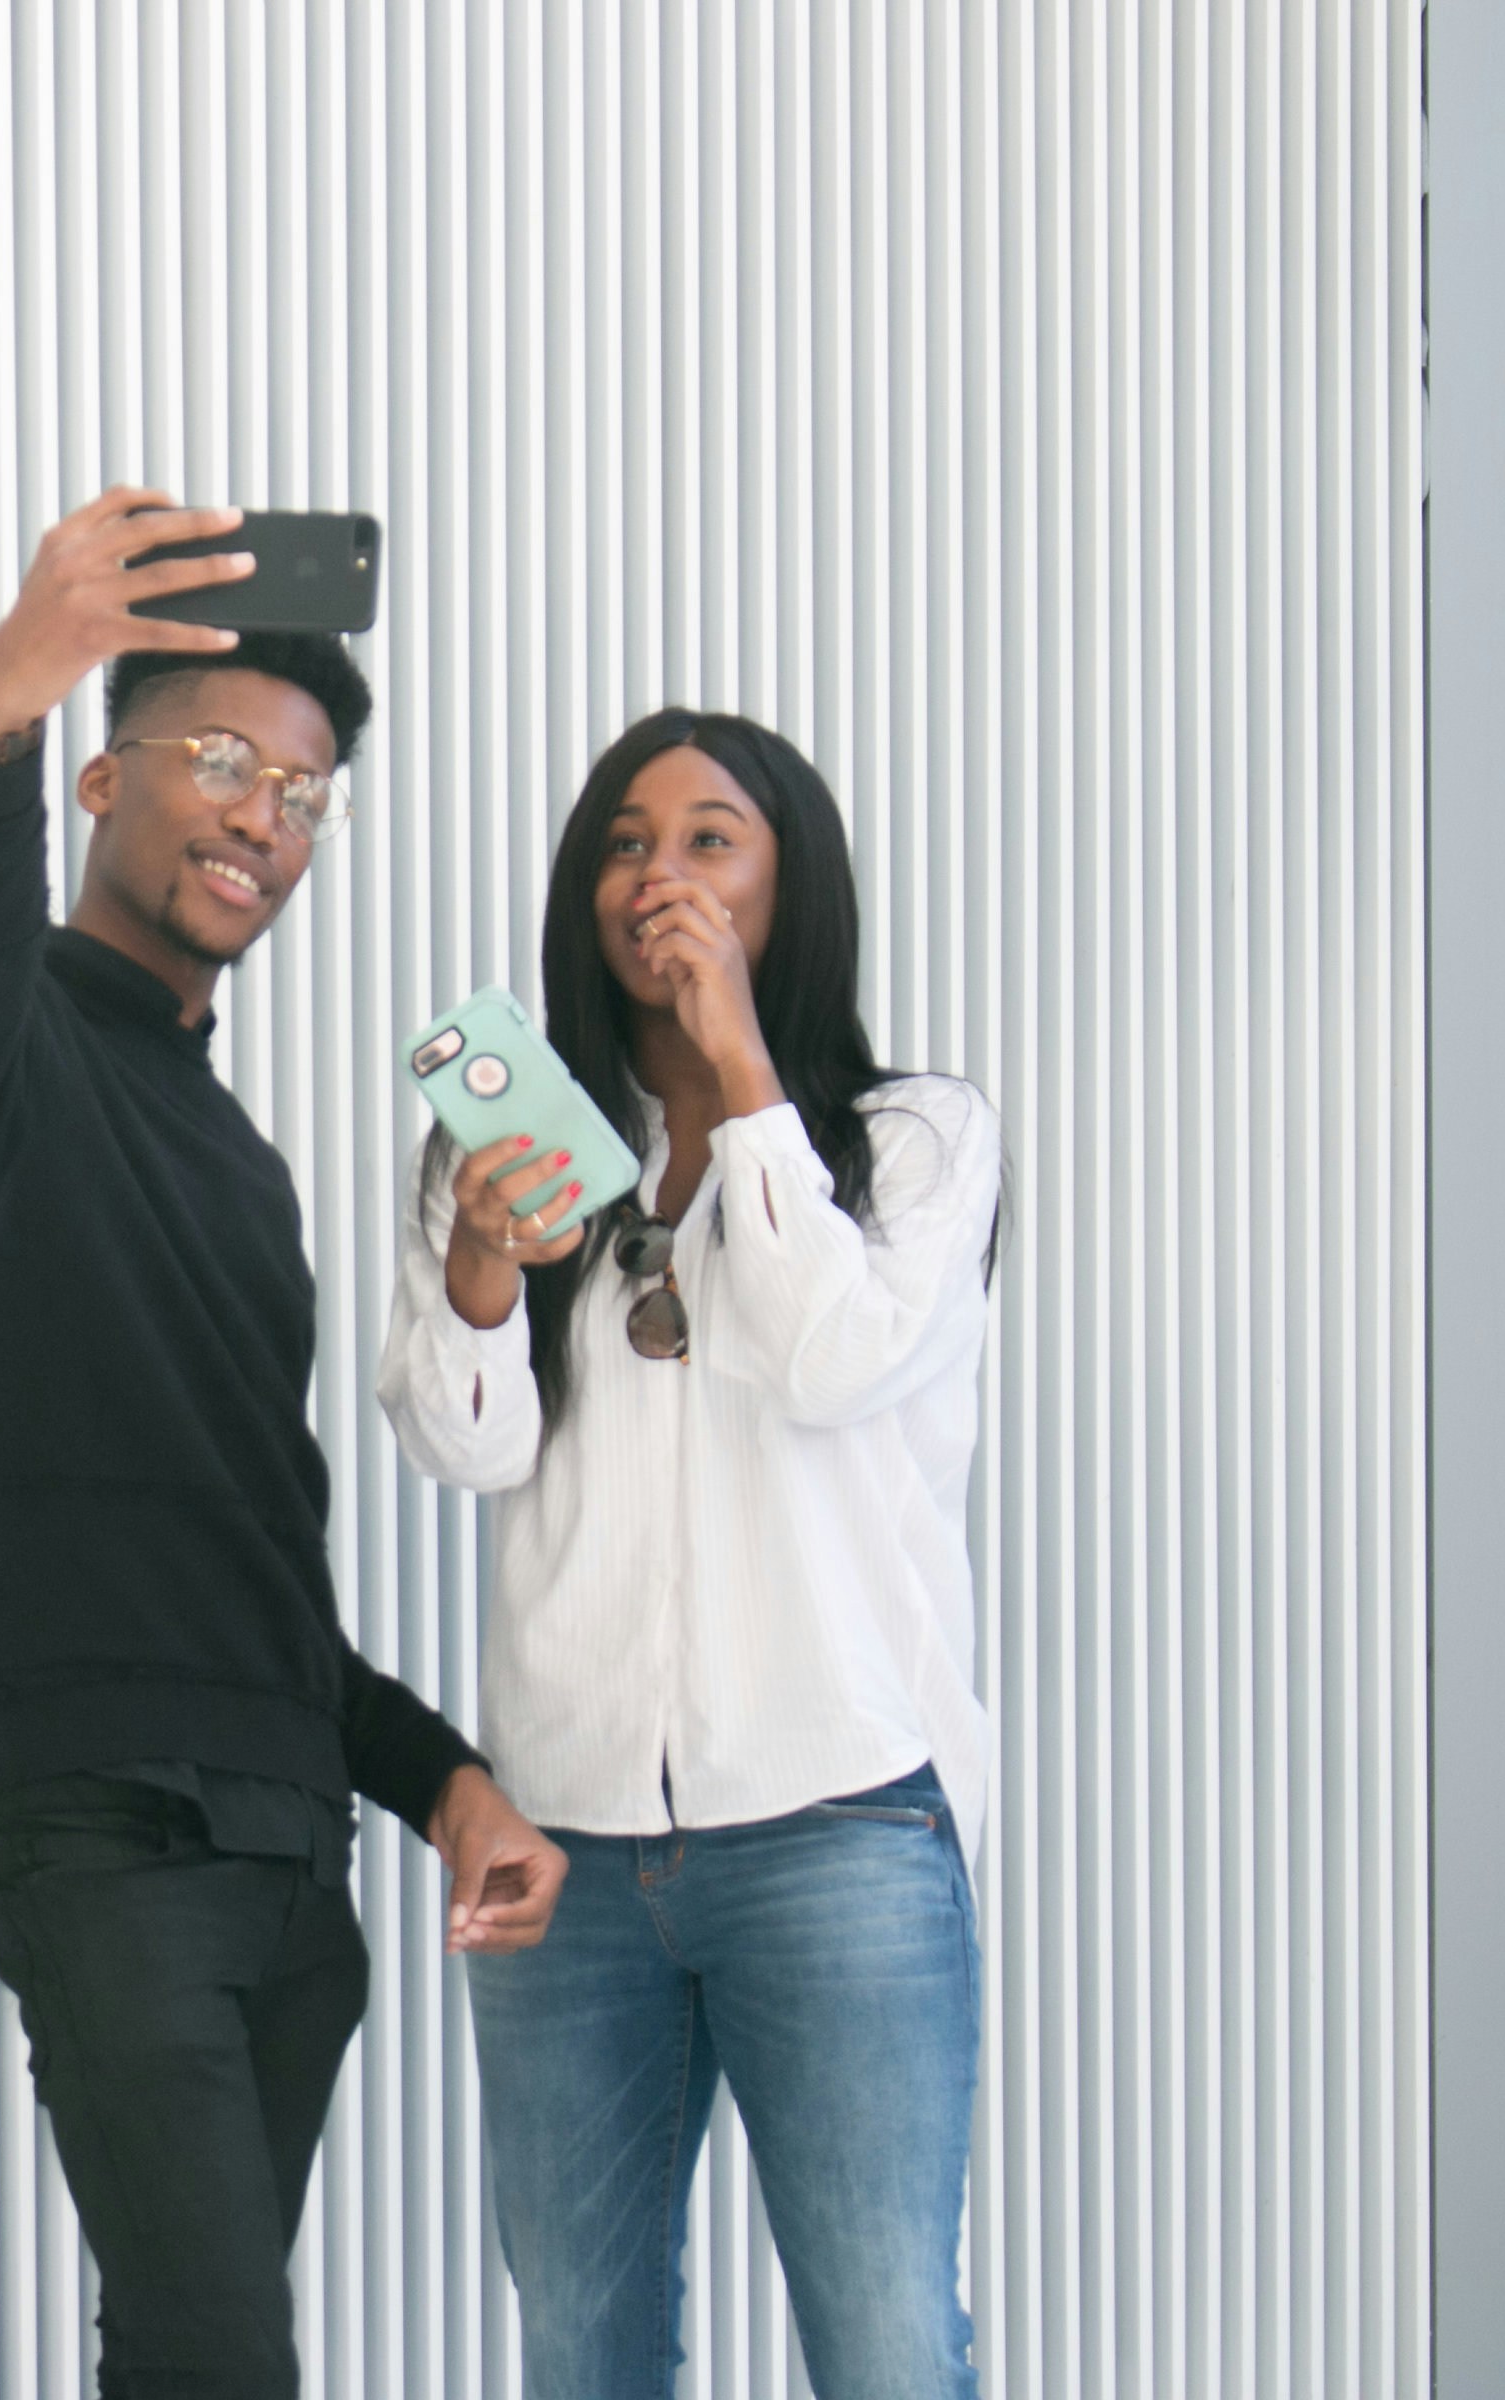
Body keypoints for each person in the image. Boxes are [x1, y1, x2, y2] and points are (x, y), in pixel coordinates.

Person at [0, 485, 567, 2398]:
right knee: (224, 2362)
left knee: (183, 2361)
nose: (270, 812)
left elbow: (258, 1588)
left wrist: (448, 1789)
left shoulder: (247, 1178)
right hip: (101, 1820)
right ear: (103, 783)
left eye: (309, 792)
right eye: (227, 758)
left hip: (286, 1859)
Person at [376, 707, 1001, 2399]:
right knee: (585, 2353)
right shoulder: (500, 1152)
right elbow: (464, 1443)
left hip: (842, 1826)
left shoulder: (912, 1142)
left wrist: (745, 1082)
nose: (661, 876)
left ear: (789, 882)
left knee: (885, 2350)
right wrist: (490, 1268)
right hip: (567, 1845)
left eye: (711, 838)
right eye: (626, 845)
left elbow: (832, 1360)